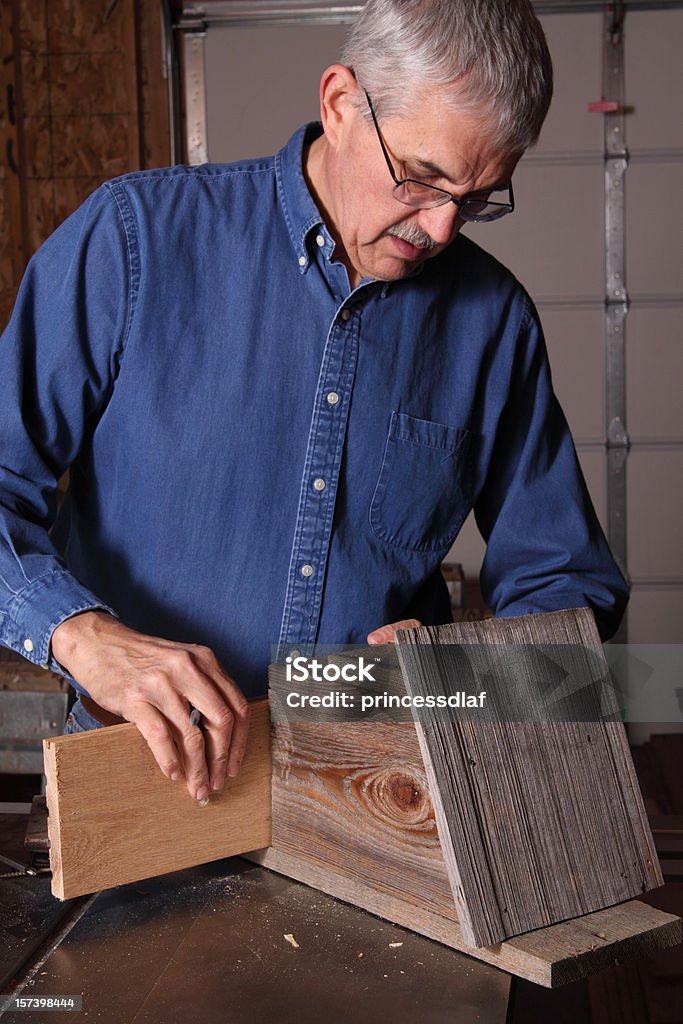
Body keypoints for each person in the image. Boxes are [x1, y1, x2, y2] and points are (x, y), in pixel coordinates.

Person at [0, 0, 628, 803]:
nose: (439, 229)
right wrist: (82, 635)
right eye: (422, 177)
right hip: (140, 782)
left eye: (476, 200)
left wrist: (469, 669)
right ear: (339, 103)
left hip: (374, 789)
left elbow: (566, 580)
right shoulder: (136, 240)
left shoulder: (492, 320)